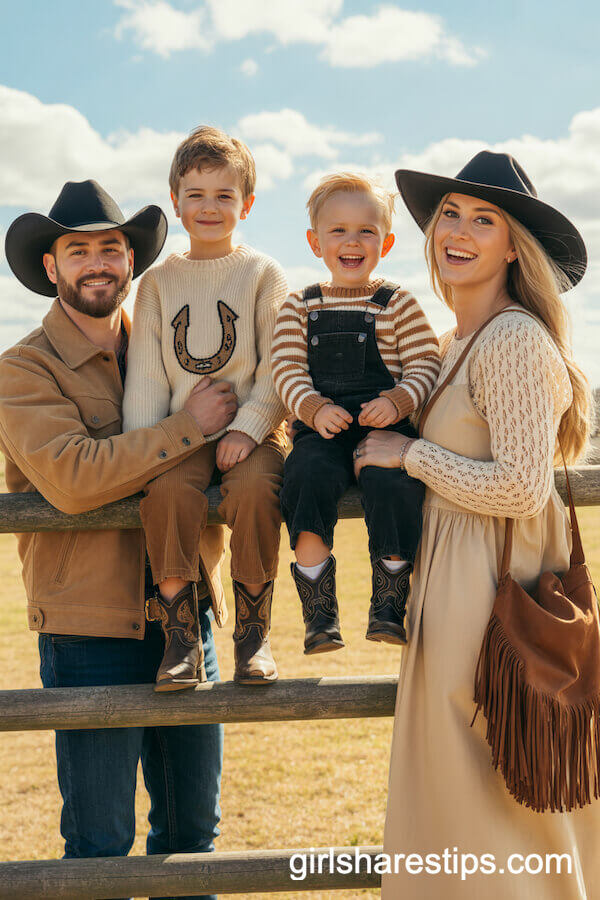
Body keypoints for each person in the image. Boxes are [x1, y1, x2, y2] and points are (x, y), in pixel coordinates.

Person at [354, 151, 600, 898]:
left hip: (490, 590)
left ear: (511, 246)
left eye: (483, 220)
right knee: (462, 794)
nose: (458, 231)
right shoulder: (463, 337)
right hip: (459, 578)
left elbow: (523, 489)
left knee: (486, 795)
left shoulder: (514, 338)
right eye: (450, 216)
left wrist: (412, 454)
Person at [0, 179, 238, 898]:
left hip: (184, 616)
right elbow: (72, 478)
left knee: (194, 835)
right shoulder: (22, 370)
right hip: (88, 630)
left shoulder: (173, 350)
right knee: (101, 843)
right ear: (52, 267)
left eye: (112, 247)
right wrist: (186, 426)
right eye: (80, 250)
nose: (98, 262)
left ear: (131, 261)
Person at [122, 126, 288, 689]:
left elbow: (278, 367)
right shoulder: (157, 285)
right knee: (166, 490)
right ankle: (180, 636)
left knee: (255, 488)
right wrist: (146, 449)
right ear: (176, 201)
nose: (209, 207)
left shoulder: (264, 274)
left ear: (248, 203)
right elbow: (146, 376)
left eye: (224, 195)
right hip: (181, 431)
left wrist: (249, 426)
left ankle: (253, 634)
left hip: (254, 432)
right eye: (196, 195)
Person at [271, 173, 440, 654]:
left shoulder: (399, 304)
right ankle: (319, 615)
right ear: (314, 241)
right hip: (320, 433)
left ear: (385, 242)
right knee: (303, 482)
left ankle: (389, 603)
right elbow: (285, 368)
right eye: (338, 230)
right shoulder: (299, 306)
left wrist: (398, 400)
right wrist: (312, 406)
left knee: (393, 490)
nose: (352, 240)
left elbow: (427, 363)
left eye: (366, 231)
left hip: (383, 435)